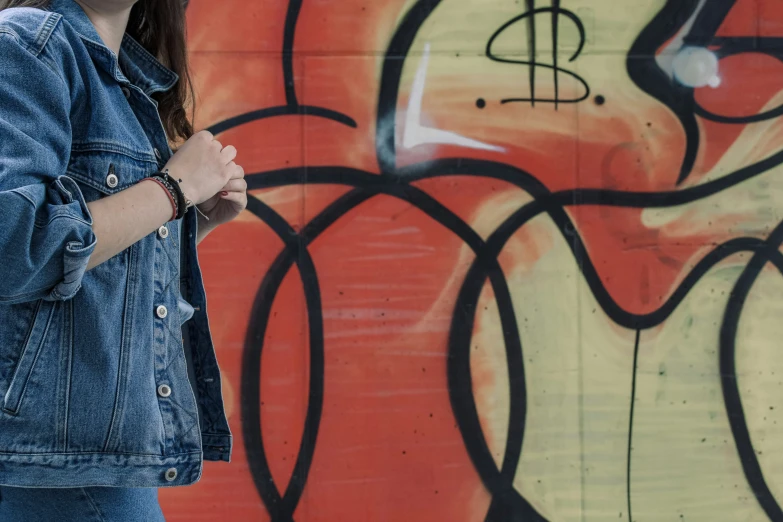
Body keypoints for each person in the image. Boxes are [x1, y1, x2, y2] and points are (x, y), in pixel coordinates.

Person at [0, 0, 245, 519]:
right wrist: (173, 190)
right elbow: (15, 245)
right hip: (57, 453)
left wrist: (191, 221)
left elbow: (95, 275)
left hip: (80, 450)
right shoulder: (27, 43)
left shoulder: (125, 80)